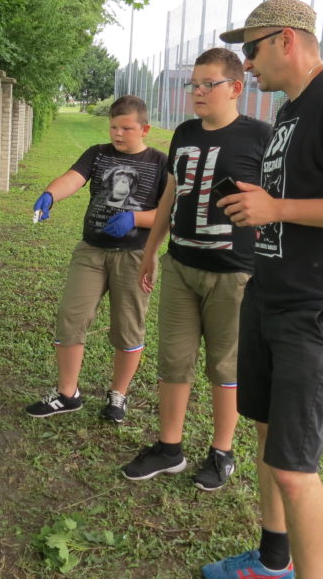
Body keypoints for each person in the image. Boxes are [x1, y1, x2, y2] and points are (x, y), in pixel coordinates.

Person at [203, 0, 323, 579]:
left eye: (252, 49)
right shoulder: (291, 110)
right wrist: (260, 204)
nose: (246, 64)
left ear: (286, 40)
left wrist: (278, 207)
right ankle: (272, 561)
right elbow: (298, 196)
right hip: (271, 292)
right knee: (268, 437)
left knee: (293, 467)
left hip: (316, 309)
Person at [121, 48, 271, 491]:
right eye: (194, 84)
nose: (198, 92)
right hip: (181, 267)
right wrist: (151, 250)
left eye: (209, 84)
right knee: (174, 359)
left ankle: (222, 452)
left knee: (225, 365)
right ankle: (169, 448)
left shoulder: (260, 136)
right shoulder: (184, 133)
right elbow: (170, 194)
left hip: (233, 273)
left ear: (236, 88)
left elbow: (275, 202)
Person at [25, 95, 168, 423]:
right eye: (114, 127)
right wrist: (50, 194)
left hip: (134, 256)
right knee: (71, 317)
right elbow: (73, 177)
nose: (118, 134)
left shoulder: (160, 162)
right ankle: (67, 394)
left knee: (128, 327)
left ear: (144, 129)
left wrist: (135, 218)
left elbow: (169, 214)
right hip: (91, 251)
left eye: (126, 128)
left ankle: (118, 395)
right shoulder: (98, 153)